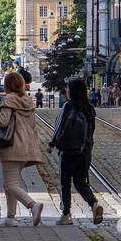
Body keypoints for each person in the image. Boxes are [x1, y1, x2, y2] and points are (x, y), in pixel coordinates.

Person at [47, 77, 105, 226]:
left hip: (68, 151)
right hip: (84, 152)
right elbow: (91, 131)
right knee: (81, 183)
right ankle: (94, 204)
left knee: (65, 183)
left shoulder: (68, 106)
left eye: (67, 88)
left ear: (72, 91)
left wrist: (52, 144)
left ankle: (66, 214)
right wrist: (87, 147)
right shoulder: (89, 108)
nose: (66, 90)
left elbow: (59, 127)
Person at [0, 71, 45, 226]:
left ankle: (32, 205)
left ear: (7, 86)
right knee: (11, 183)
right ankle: (10, 217)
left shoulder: (9, 100)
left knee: (10, 184)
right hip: (26, 147)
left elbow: (2, 122)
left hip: (12, 146)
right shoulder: (27, 100)